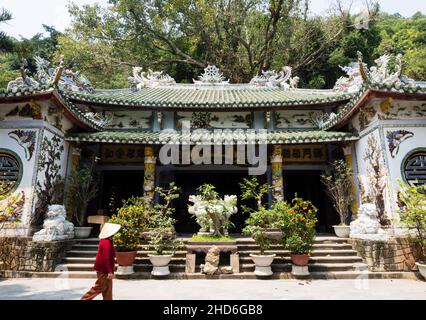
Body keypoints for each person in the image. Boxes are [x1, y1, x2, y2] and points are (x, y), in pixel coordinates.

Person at [81, 223, 121, 300]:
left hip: (105, 268)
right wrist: (109, 271)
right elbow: (106, 258)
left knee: (108, 289)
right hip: (103, 269)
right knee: (99, 287)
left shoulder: (107, 240)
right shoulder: (106, 242)